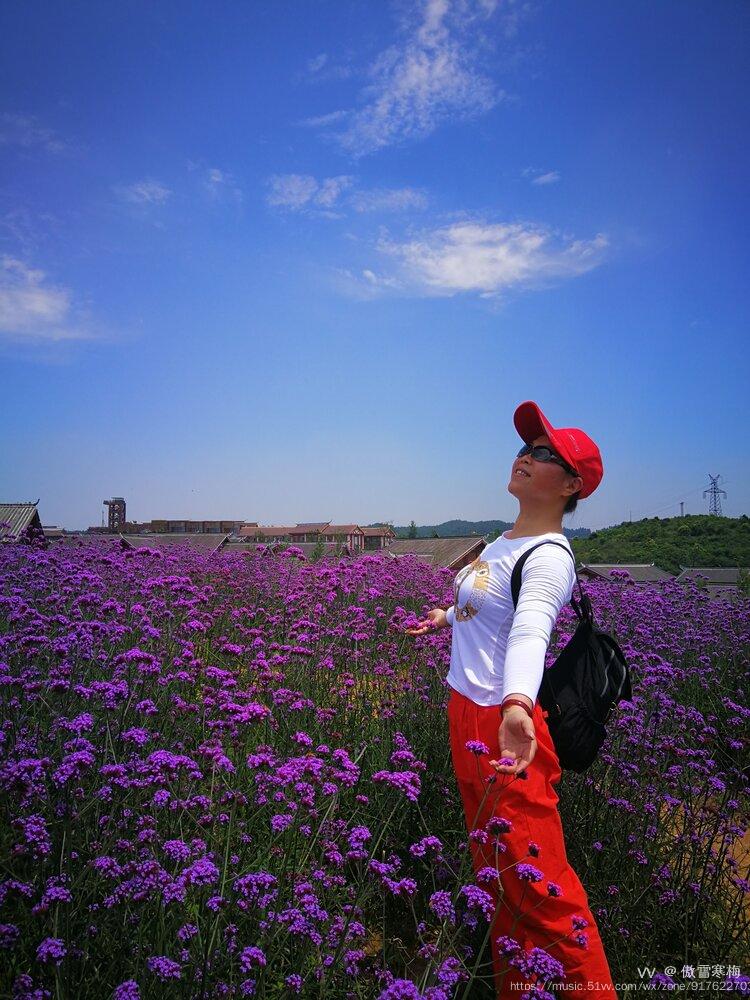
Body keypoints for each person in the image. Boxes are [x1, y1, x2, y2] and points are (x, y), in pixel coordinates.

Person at [405, 400, 618, 998]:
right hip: (466, 711)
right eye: (527, 446)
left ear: (573, 485)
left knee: (542, 886)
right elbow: (488, 607)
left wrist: (519, 705)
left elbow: (530, 630)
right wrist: (445, 617)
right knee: (496, 873)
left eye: (545, 454)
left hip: (507, 725)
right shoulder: (504, 541)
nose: (526, 456)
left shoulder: (548, 556)